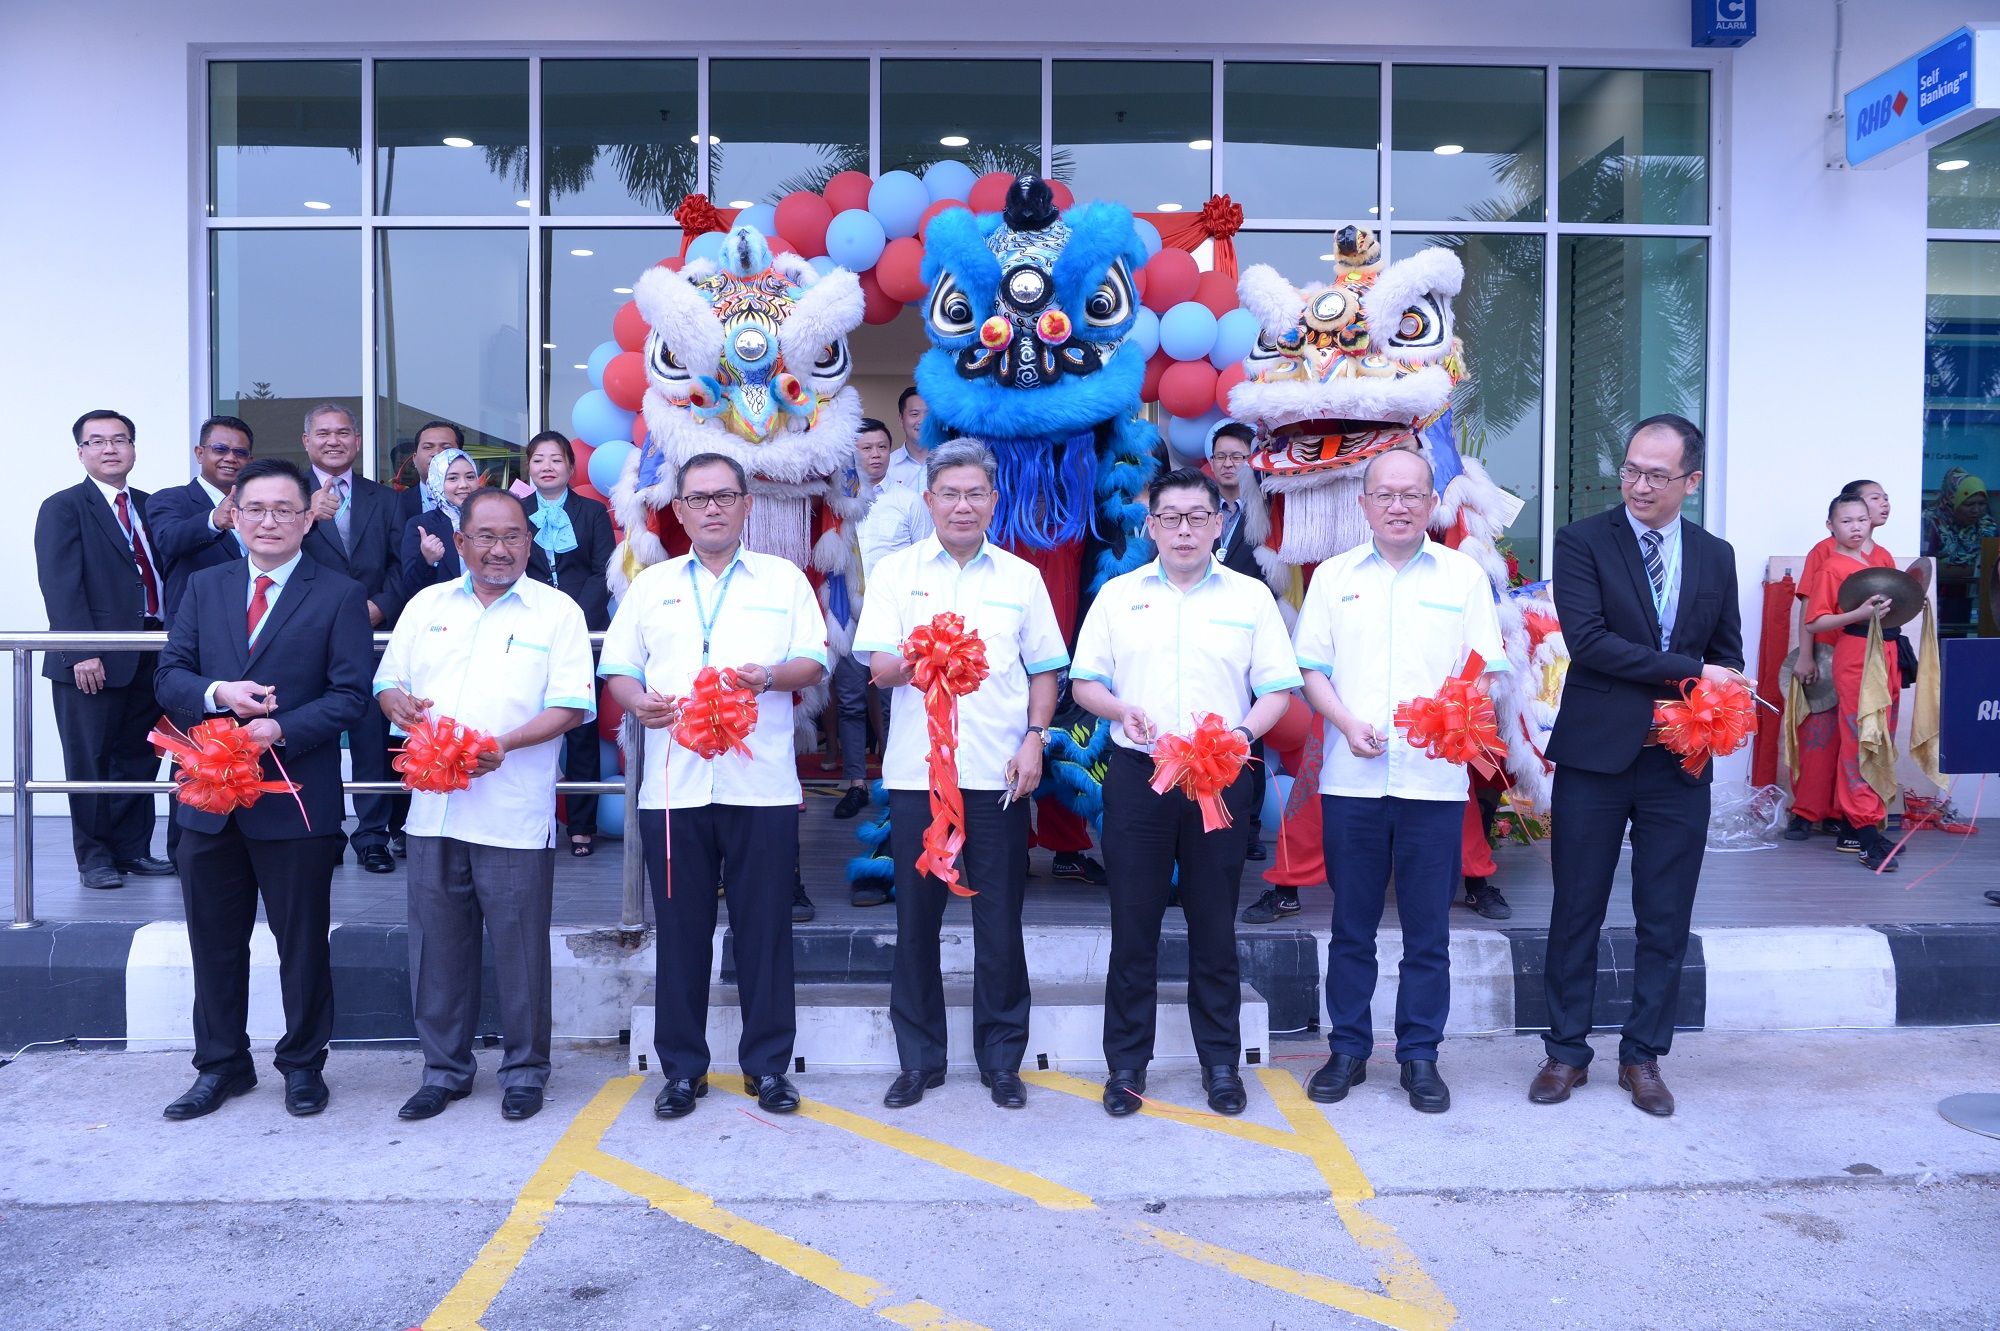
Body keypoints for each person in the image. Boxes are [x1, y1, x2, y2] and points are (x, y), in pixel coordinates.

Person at [599, 453, 828, 1120]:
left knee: (765, 930)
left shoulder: (784, 579)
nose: (712, 509)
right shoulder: (653, 584)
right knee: (681, 932)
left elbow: (814, 660)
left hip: (761, 784)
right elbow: (619, 667)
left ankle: (768, 1067)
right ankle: (681, 1071)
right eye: (698, 498)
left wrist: (770, 678)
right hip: (675, 788)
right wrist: (637, 701)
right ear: (679, 510)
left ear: (747, 504)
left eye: (725, 496)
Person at [1531, 414, 1745, 1118]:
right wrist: (1695, 673)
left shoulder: (1714, 555)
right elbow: (1590, 643)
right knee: (1577, 906)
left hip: (1678, 761)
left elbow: (1728, 652)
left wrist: (1716, 693)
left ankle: (1643, 1054)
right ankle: (1565, 1051)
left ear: (1692, 480)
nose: (1640, 485)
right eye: (1630, 470)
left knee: (1666, 912)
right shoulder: (1583, 541)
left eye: (1657, 474)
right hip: (1596, 754)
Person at [1071, 467, 1301, 1117]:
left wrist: (1240, 734)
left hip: (1219, 777)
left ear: (1218, 523)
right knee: (1133, 926)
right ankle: (1126, 1066)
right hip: (1140, 776)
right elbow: (1085, 683)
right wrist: (1119, 708)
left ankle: (1221, 1065)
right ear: (1150, 525)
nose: (1183, 530)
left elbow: (1278, 689)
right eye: (1169, 517)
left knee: (1214, 927)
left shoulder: (1250, 598)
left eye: (1197, 517)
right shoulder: (1118, 596)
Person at [153, 458, 372, 1120]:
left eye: (284, 509)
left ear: (308, 519)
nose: (268, 521)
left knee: (301, 944)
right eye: (255, 508)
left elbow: (351, 695)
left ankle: (303, 1064)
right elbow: (170, 676)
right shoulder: (206, 585)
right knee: (214, 942)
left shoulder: (337, 593)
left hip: (294, 799)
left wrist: (281, 727)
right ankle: (221, 1065)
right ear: (235, 515)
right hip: (208, 800)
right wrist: (219, 693)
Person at [1292, 448, 1508, 1114]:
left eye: (1412, 494)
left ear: (1432, 503)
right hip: (1351, 780)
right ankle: (1348, 1050)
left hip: (1433, 784)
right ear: (1363, 504)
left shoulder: (1463, 576)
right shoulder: (1334, 577)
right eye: (1385, 494)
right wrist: (1344, 722)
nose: (1398, 506)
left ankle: (1420, 1055)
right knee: (1351, 927)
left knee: (1428, 933)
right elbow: (1311, 667)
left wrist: (1455, 715)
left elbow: (1486, 668)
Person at [855, 440, 1068, 1110]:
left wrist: (1035, 739)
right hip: (919, 778)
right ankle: (919, 1060)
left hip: (998, 774)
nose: (962, 505)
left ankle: (1002, 1059)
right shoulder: (896, 574)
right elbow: (878, 668)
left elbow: (1046, 669)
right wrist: (927, 654)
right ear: (929, 501)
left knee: (1000, 921)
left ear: (994, 500)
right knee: (915, 922)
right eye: (949, 493)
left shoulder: (1021, 578)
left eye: (975, 493)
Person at [376, 489, 595, 1123]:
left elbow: (572, 705)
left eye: (513, 537)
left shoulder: (556, 611)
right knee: (437, 950)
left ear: (530, 542)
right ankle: (444, 1071)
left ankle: (525, 1072)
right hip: (433, 809)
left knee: (520, 951)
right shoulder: (426, 606)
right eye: (486, 537)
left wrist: (506, 744)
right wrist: (394, 702)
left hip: (513, 811)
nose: (500, 550)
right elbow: (388, 679)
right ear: (461, 541)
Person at [33, 410, 175, 889]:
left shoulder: (150, 505)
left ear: (133, 448)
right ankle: (94, 858)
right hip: (92, 657)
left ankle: (133, 850)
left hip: (151, 649)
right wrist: (82, 650)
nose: (110, 449)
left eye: (120, 440)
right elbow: (60, 585)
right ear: (81, 453)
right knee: (89, 760)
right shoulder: (64, 507)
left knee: (139, 756)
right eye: (96, 441)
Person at [299, 402, 408, 874]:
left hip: (370, 635)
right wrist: (307, 517)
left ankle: (372, 836)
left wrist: (381, 605)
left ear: (358, 441)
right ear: (307, 441)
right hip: (305, 634)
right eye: (323, 433)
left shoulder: (386, 498)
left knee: (369, 738)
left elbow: (403, 564)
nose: (333, 441)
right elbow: (267, 553)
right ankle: (318, 831)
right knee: (309, 736)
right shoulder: (289, 496)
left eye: (343, 432)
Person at [1798, 493, 1913, 872]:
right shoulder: (1831, 567)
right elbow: (1815, 621)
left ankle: (1863, 826)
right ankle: (1865, 834)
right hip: (1855, 653)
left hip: (1887, 652)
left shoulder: (1880, 559)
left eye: (1861, 519)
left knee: (1882, 739)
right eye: (1846, 521)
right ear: (1830, 526)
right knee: (1859, 739)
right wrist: (1858, 613)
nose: (1856, 527)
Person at [523, 430, 616, 857]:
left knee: (580, 727)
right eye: (538, 459)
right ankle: (532, 820)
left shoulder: (592, 512)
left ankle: (581, 826)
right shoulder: (516, 511)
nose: (547, 467)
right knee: (528, 725)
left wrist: (573, 618)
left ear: (570, 467)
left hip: (584, 629)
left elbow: (603, 571)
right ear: (529, 466)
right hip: (528, 629)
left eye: (556, 459)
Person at [1207, 421, 1271, 868]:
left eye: (1238, 457)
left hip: (1248, 629)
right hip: (1204, 625)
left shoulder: (1269, 509)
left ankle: (1248, 826)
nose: (1229, 464)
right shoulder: (1198, 507)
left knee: (1251, 725)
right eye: (1221, 457)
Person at [832, 418, 895, 830]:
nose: (874, 455)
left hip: (893, 621)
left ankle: (895, 781)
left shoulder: (910, 501)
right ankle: (856, 782)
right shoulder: (837, 502)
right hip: (849, 617)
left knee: (894, 704)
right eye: (865, 448)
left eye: (881, 447)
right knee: (851, 702)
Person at [149, 416, 253, 622]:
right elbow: (169, 540)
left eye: (240, 452)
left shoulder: (259, 505)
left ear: (250, 460)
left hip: (253, 621)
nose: (230, 458)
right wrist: (213, 520)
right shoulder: (170, 498)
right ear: (199, 453)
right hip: (197, 624)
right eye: (220, 449)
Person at [399, 446, 481, 592]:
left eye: (470, 477)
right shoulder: (421, 526)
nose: (464, 485)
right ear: (437, 481)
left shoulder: (491, 521)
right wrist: (427, 560)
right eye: (452, 478)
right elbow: (410, 589)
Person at [1921, 468, 1996, 630]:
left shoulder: (1987, 525)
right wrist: (1976, 570)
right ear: (1952, 499)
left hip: (1978, 599)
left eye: (1981, 504)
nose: (1976, 510)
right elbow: (1924, 565)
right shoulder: (1930, 522)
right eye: (1969, 504)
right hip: (1934, 598)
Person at [395, 420, 462, 527]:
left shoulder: (478, 502)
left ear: (462, 457)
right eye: (428, 447)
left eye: (446, 448)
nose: (436, 453)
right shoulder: (396, 504)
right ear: (414, 459)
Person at [884, 387, 929, 491]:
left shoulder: (951, 462)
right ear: (901, 419)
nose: (922, 421)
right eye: (914, 414)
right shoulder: (887, 466)